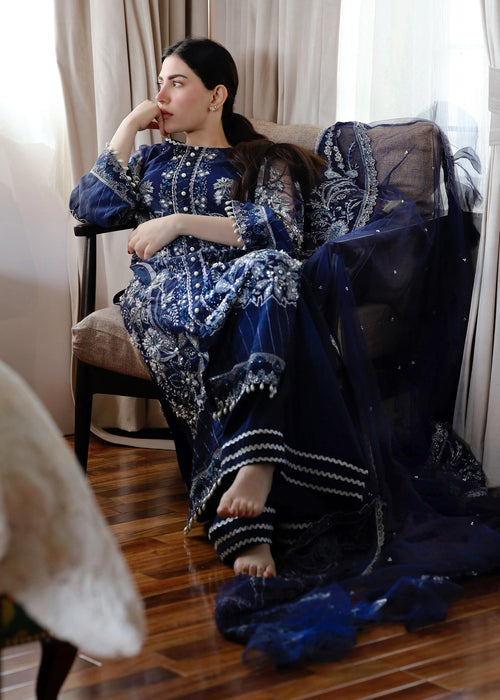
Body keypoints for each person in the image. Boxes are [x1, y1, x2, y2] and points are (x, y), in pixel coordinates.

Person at [71, 37, 500, 666]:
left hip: (247, 288)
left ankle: (257, 471)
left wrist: (179, 222)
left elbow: (281, 229)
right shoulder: (152, 160)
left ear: (216, 96)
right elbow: (89, 205)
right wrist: (129, 126)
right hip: (168, 295)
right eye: (159, 83)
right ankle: (248, 505)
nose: (161, 96)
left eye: (176, 83)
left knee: (273, 268)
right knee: (267, 277)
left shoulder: (264, 160)